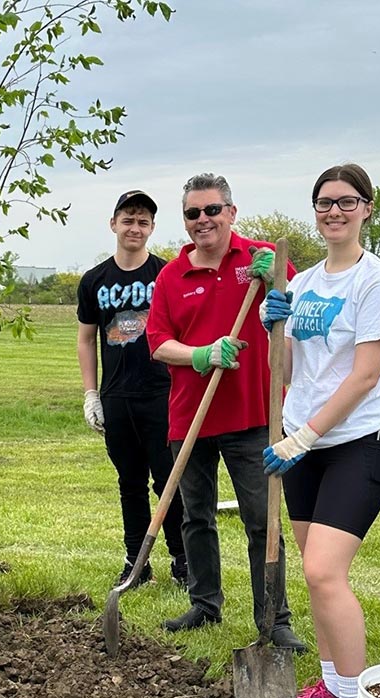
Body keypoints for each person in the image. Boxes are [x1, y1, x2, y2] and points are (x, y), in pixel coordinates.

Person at [260, 164, 380, 698]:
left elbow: (366, 374)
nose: (334, 212)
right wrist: (278, 330)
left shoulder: (379, 281)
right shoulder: (307, 281)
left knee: (324, 572)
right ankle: (330, 683)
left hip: (357, 444)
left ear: (367, 209)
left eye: (347, 202)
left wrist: (307, 435)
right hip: (304, 444)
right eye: (324, 203)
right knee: (314, 574)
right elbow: (296, 373)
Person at [146, 172, 304, 651]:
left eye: (212, 210)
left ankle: (274, 617)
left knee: (262, 519)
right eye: (193, 213)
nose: (202, 220)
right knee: (196, 516)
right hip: (189, 415)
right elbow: (157, 343)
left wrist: (275, 280)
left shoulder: (260, 261)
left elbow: (291, 317)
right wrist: (199, 354)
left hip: (253, 414)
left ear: (231, 213)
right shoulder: (172, 275)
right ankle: (205, 602)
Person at [77, 190, 187, 588]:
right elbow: (86, 339)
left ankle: (181, 558)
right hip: (117, 396)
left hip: (162, 392)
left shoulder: (168, 274)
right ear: (114, 224)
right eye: (128, 219)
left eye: (143, 221)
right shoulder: (94, 281)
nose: (135, 228)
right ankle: (136, 563)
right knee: (129, 481)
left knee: (168, 479)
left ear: (152, 228)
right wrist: (92, 394)